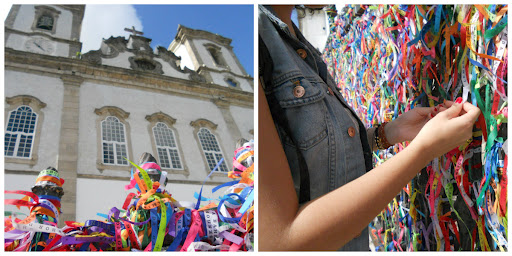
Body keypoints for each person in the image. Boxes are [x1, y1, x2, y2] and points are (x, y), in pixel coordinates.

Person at [258, 5, 481, 251]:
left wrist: (388, 134)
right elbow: (279, 242)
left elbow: (313, 155)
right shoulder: (259, 40)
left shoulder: (297, 42)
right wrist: (424, 149)